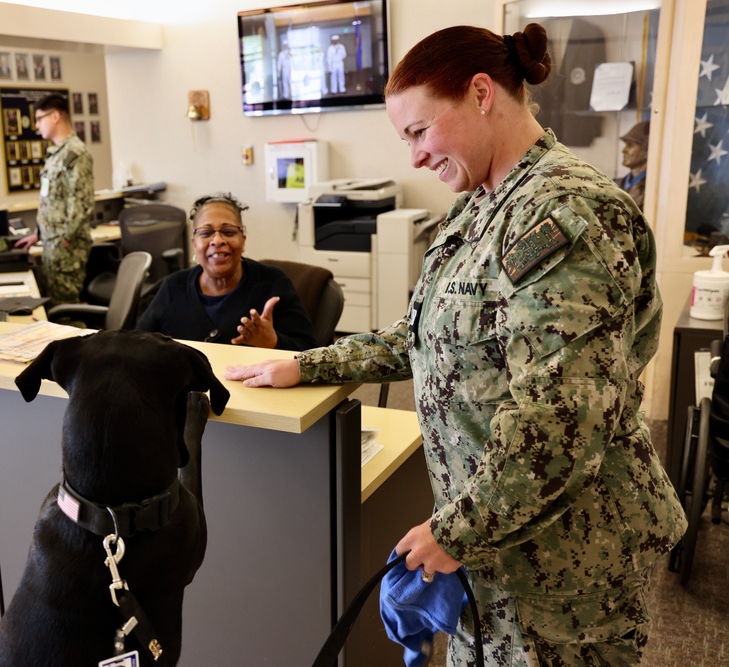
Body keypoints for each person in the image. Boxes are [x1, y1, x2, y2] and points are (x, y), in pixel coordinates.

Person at [225, 23, 686, 666]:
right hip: (493, 546)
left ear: (480, 93)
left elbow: (561, 420)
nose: (412, 157)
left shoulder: (564, 213)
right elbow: (425, 335)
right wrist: (305, 364)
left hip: (563, 569)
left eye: (419, 131)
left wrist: (455, 530)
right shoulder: (479, 203)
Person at [137, 193, 317, 351]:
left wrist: (273, 342)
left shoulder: (272, 283)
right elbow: (137, 346)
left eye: (228, 232)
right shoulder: (173, 287)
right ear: (194, 243)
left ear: (243, 240)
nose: (217, 240)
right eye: (206, 233)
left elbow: (310, 350)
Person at [13, 94, 94, 304]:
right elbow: (52, 200)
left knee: (66, 309)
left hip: (65, 249)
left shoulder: (76, 153)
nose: (37, 125)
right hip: (52, 243)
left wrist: (65, 240)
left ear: (55, 116)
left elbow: (81, 203)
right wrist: (38, 233)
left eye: (40, 119)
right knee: (57, 306)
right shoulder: (57, 154)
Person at [618, 120, 649, 210]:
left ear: (647, 151)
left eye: (630, 145)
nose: (623, 150)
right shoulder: (614, 184)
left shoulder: (652, 190)